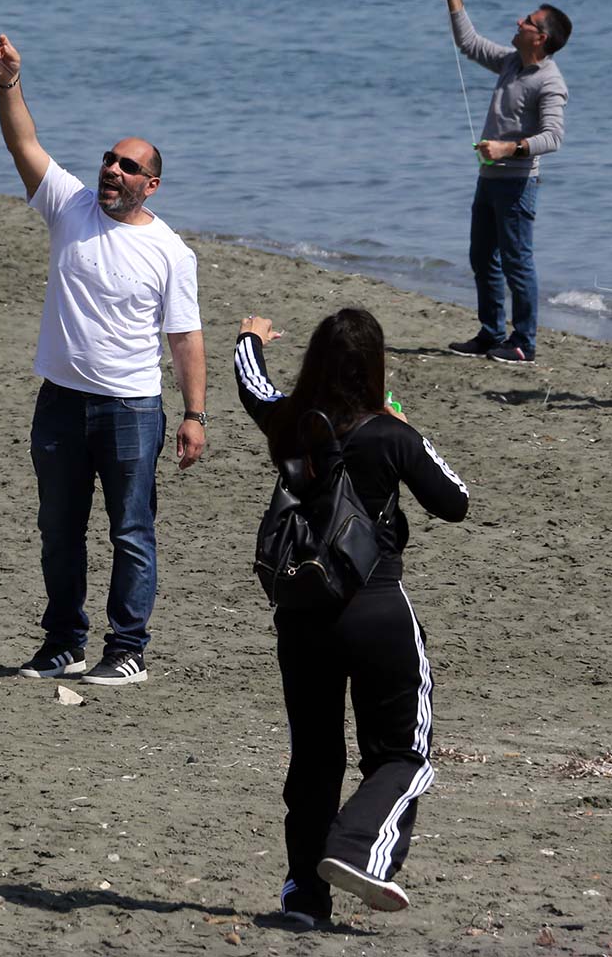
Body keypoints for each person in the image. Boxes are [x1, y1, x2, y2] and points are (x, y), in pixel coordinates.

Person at [235, 308, 468, 927]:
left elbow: (252, 384)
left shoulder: (290, 423)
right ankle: (358, 850)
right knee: (401, 755)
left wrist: (249, 339)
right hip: (376, 612)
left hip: (303, 613)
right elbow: (455, 502)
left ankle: (304, 897)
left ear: (314, 362)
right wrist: (405, 427)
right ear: (374, 369)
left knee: (314, 758)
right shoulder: (392, 436)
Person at [0, 32, 206, 686]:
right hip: (58, 401)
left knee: (131, 532)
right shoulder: (70, 206)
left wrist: (194, 414)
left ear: (151, 184)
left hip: (132, 408)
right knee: (59, 530)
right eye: (109, 159)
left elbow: (185, 337)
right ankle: (63, 644)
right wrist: (8, 81)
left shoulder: (171, 252)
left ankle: (127, 649)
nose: (112, 169)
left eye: (128, 166)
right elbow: (24, 143)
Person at [436, 0, 571, 365]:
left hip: (517, 185)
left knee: (517, 263)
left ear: (540, 38)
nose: (519, 21)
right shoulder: (512, 60)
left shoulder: (550, 82)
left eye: (527, 21)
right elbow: (470, 43)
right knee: (482, 257)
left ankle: (523, 343)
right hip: (489, 180)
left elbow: (553, 138)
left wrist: (506, 149)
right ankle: (492, 333)